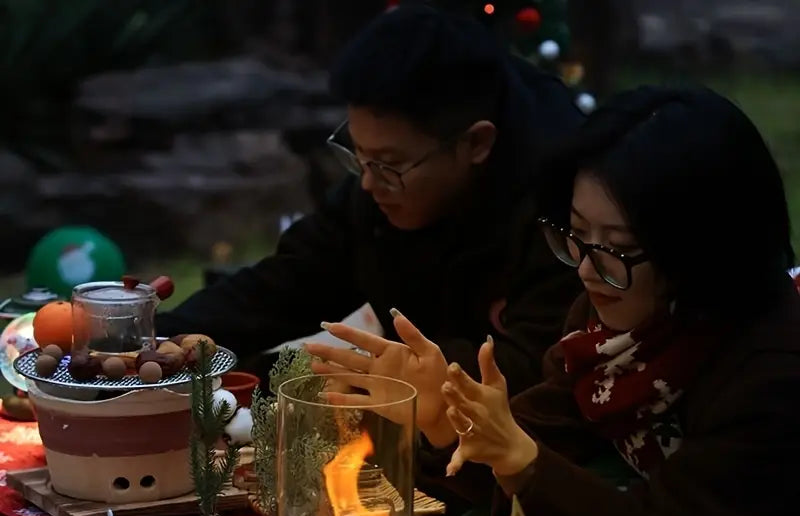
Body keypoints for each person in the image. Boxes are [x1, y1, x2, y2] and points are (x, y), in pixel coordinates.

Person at [308, 85, 800, 516]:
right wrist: (448, 423)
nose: (589, 270)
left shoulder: (772, 366)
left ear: (704, 252)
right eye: (576, 236)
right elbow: (527, 446)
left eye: (619, 249)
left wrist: (524, 462)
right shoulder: (607, 321)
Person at [157, 4, 583, 394]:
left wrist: (376, 375)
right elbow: (288, 283)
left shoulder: (566, 209)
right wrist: (158, 340)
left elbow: (535, 371)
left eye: (388, 164)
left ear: (475, 144)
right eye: (358, 155)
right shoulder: (380, 186)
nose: (367, 183)